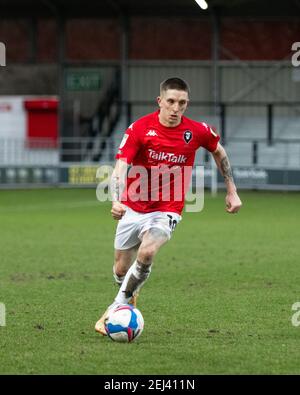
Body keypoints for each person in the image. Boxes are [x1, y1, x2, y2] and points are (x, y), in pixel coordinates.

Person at [95, 77, 242, 336]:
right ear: (160, 101)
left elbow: (219, 151)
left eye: (182, 103)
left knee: (148, 252)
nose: (176, 108)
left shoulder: (197, 131)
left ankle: (114, 309)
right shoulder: (139, 129)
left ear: (187, 103)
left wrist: (231, 190)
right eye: (171, 102)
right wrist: (116, 199)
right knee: (120, 269)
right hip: (132, 206)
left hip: (167, 209)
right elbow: (121, 167)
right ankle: (127, 293)